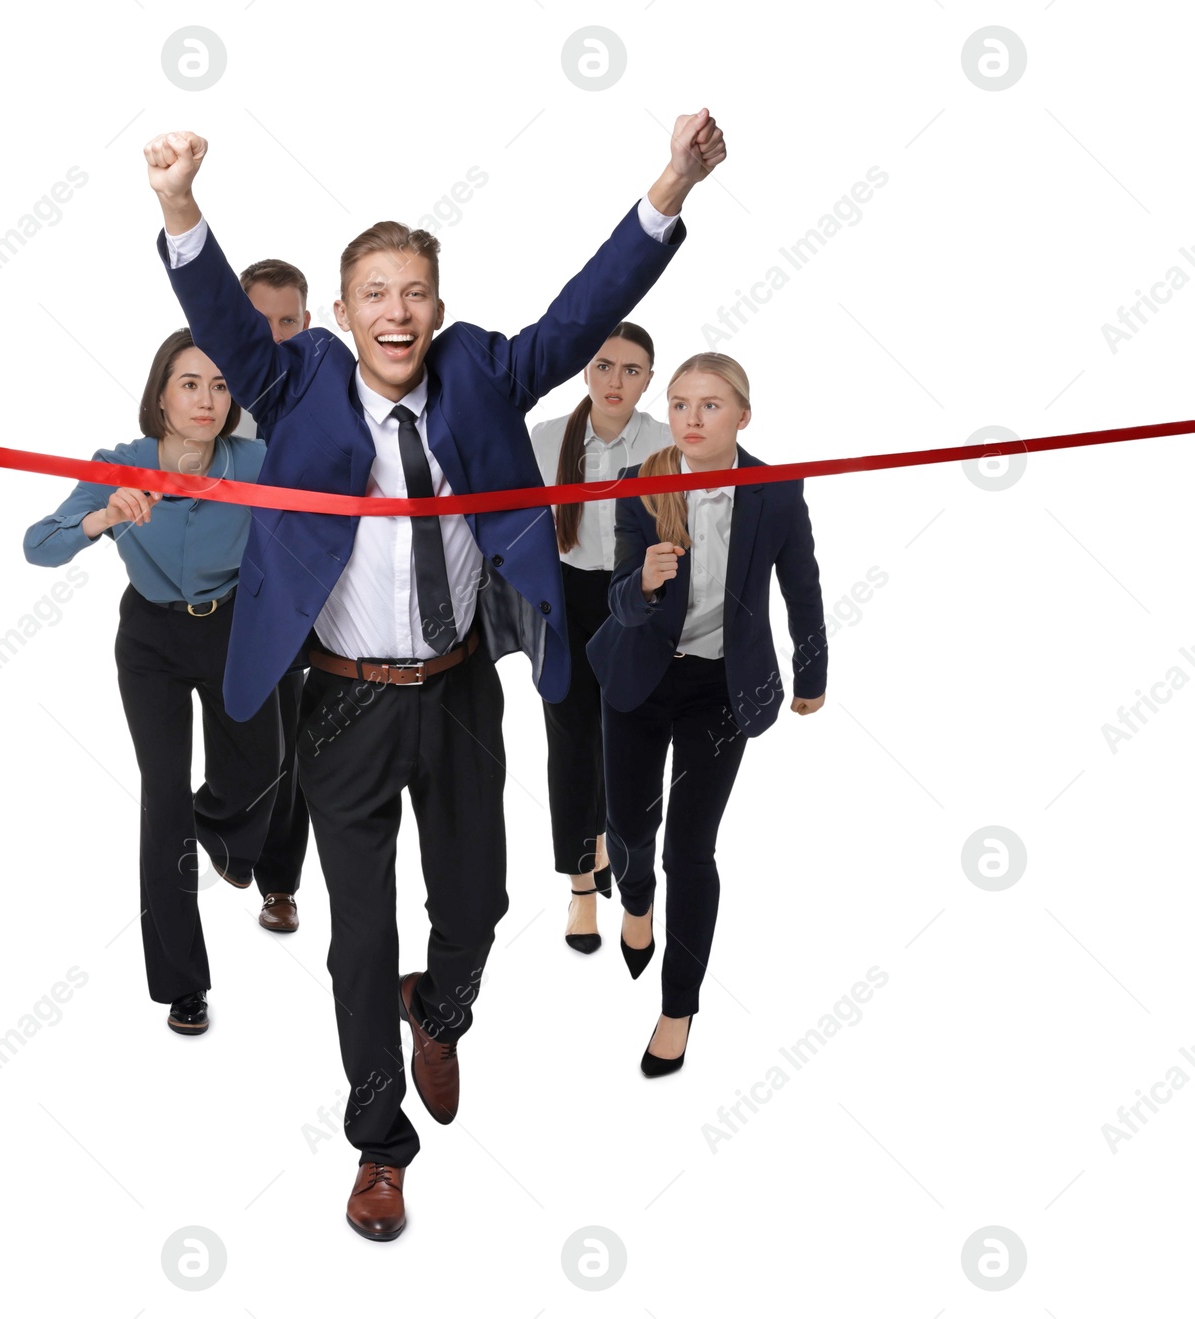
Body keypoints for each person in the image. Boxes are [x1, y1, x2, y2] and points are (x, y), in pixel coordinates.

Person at [144, 110, 725, 1240]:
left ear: (437, 310)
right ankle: (377, 1143)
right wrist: (179, 208)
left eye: (414, 292)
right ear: (346, 311)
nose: (396, 312)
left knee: (477, 906)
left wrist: (671, 184)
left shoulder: (481, 372)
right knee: (356, 938)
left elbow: (581, 312)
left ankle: (440, 1006)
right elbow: (220, 315)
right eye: (374, 293)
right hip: (344, 700)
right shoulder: (300, 377)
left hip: (459, 688)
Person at [21, 328, 280, 1037]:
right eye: (190, 384)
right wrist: (103, 515)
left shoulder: (256, 460)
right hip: (152, 643)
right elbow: (36, 545)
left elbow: (329, 508)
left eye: (220, 386)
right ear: (160, 394)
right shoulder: (120, 464)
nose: (207, 399)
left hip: (231, 630)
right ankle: (182, 983)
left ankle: (212, 825)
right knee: (161, 799)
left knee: (266, 762)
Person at [586, 351, 827, 1078]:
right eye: (682, 403)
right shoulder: (640, 484)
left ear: (742, 417)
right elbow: (618, 602)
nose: (691, 418)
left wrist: (812, 671)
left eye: (710, 406)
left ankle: (678, 1007)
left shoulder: (776, 492)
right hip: (638, 677)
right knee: (629, 828)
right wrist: (645, 583)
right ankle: (634, 900)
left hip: (723, 688)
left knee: (689, 848)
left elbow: (804, 587)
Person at [529, 322, 669, 955]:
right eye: (605, 366)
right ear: (586, 370)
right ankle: (582, 886)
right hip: (563, 598)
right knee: (570, 741)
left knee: (626, 735)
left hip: (636, 600)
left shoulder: (667, 445)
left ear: (648, 379)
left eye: (632, 371)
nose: (617, 381)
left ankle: (614, 843)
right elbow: (518, 531)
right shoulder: (547, 437)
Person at [227, 257, 315, 933]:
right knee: (240, 736)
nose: (277, 334)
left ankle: (280, 883)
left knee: (292, 745)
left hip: (294, 594)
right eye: (262, 322)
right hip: (222, 591)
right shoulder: (207, 391)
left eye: (288, 322)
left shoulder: (323, 400)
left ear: (306, 324)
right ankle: (225, 830)